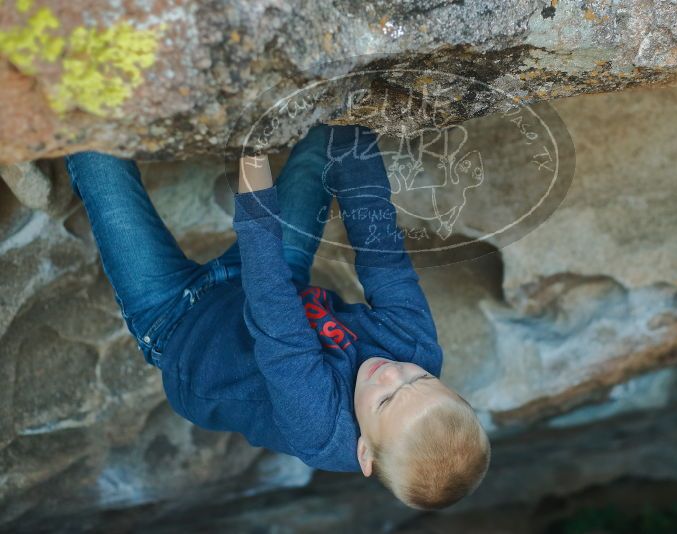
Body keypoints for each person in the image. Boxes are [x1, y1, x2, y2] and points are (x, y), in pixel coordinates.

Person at [65, 123, 491, 510]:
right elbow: (382, 253)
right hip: (273, 282)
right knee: (325, 134)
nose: (392, 373)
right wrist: (353, 117)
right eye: (422, 379)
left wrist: (250, 161)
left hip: (178, 325)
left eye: (385, 400)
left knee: (101, 168)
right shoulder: (416, 350)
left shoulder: (320, 428)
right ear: (452, 391)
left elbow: (274, 310)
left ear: (365, 452)